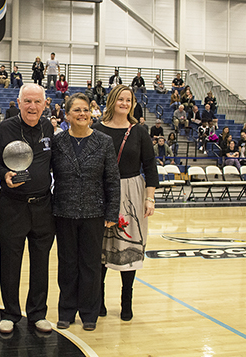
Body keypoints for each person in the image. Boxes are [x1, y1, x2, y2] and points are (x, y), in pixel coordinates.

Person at [0, 84, 55, 335]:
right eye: (27, 101)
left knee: (41, 262)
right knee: (10, 261)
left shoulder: (48, 128)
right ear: (18, 102)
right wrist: (4, 174)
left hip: (42, 206)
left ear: (44, 104)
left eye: (37, 102)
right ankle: (10, 314)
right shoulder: (4, 129)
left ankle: (38, 313)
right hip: (12, 206)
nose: (32, 106)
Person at [51, 93, 120, 332]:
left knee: (90, 265)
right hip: (64, 211)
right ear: (67, 115)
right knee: (67, 264)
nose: (82, 114)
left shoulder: (104, 141)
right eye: (77, 110)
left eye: (86, 109)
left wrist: (112, 212)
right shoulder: (57, 142)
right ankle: (66, 310)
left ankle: (89, 313)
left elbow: (112, 179)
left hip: (94, 213)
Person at [92, 85, 158, 322]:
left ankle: (126, 302)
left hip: (132, 192)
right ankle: (97, 301)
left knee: (128, 246)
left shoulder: (139, 131)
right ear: (112, 100)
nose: (124, 103)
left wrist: (149, 198)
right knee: (100, 248)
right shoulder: (96, 129)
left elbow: (150, 166)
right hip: (102, 191)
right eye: (120, 98)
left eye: (128, 100)